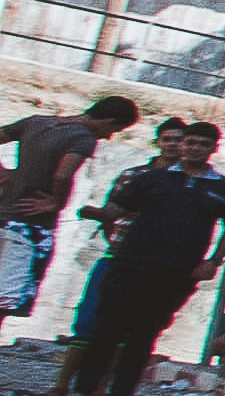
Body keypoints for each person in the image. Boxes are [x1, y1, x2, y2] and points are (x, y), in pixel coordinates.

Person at [57, 121, 225, 396]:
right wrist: (90, 211)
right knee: (108, 326)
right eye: (190, 142)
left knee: (144, 333)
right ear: (182, 145)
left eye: (202, 144)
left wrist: (215, 261)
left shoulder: (223, 187)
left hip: (176, 271)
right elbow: (117, 209)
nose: (194, 149)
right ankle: (84, 391)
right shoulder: (151, 178)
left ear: (213, 149)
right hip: (130, 263)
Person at [0, 97, 137, 327]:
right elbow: (64, 174)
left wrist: (4, 174)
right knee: (6, 296)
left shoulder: (37, 122)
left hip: (4, 213)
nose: (109, 136)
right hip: (30, 226)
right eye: (114, 129)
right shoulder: (83, 138)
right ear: (108, 121)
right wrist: (56, 201)